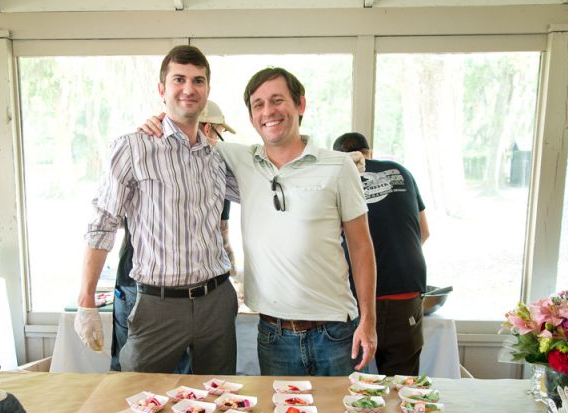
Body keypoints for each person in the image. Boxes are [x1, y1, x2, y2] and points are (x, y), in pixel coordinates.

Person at [142, 67, 378, 376]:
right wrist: (156, 122)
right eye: (258, 105)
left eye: (277, 100)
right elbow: (186, 137)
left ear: (300, 105)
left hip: (335, 333)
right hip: (274, 335)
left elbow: (362, 248)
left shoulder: (338, 165)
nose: (268, 111)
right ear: (253, 118)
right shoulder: (239, 160)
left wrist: (368, 321)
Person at [74, 45, 239, 375]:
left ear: (207, 90)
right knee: (137, 403)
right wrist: (86, 300)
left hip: (216, 301)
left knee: (219, 403)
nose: (189, 89)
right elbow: (103, 222)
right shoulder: (133, 147)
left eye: (198, 80)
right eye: (179, 79)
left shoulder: (218, 157)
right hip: (157, 305)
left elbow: (270, 184)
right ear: (162, 89)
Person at [108, 101, 238, 373]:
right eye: (217, 132)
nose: (217, 140)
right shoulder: (142, 150)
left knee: (199, 394)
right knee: (141, 388)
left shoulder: (214, 168)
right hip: (144, 290)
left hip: (208, 297)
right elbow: (109, 215)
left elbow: (219, 233)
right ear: (205, 127)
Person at [333, 132, 430, 376]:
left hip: (357, 297)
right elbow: (424, 232)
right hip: (404, 291)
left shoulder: (336, 177)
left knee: (353, 388)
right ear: (370, 153)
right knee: (402, 388)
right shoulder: (400, 172)